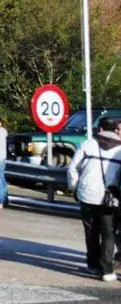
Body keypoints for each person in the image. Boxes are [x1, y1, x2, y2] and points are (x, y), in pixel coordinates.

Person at [68, 118, 121, 282]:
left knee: (91, 232)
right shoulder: (120, 149)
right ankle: (106, 270)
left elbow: (72, 168)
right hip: (109, 198)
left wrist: (74, 187)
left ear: (100, 129)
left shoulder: (88, 144)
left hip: (86, 195)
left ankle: (92, 265)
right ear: (115, 130)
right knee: (108, 233)